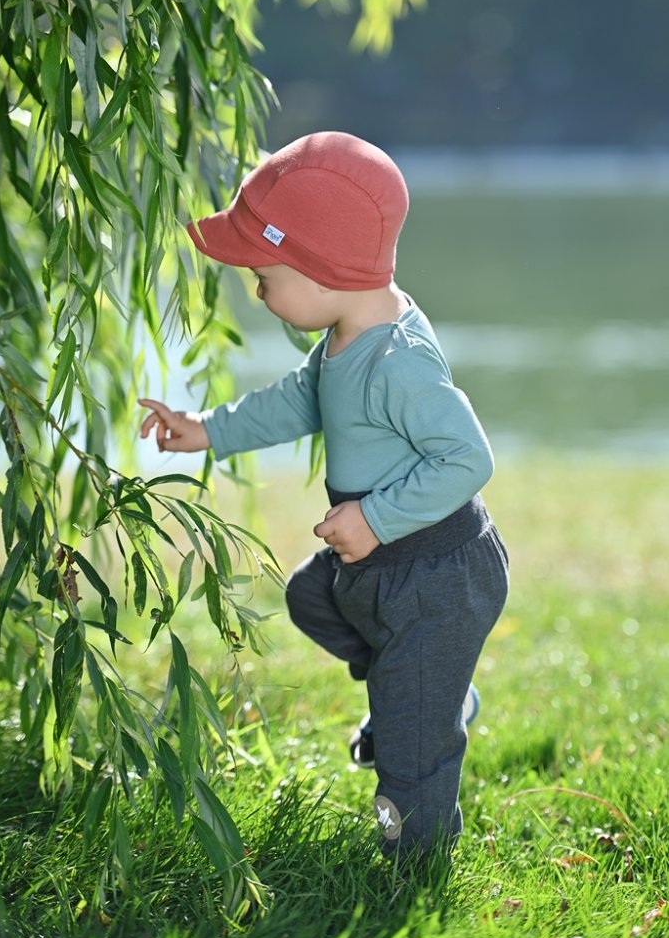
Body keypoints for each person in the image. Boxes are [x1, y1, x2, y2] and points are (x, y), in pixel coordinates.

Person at [139, 131, 509, 861]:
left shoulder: (399, 362)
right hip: (381, 569)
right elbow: (296, 402)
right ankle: (433, 693)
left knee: (411, 748)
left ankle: (416, 863)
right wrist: (206, 431)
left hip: (435, 571)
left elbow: (468, 458)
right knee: (315, 598)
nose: (256, 289)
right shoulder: (347, 336)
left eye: (264, 275)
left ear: (317, 271)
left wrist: (373, 517)